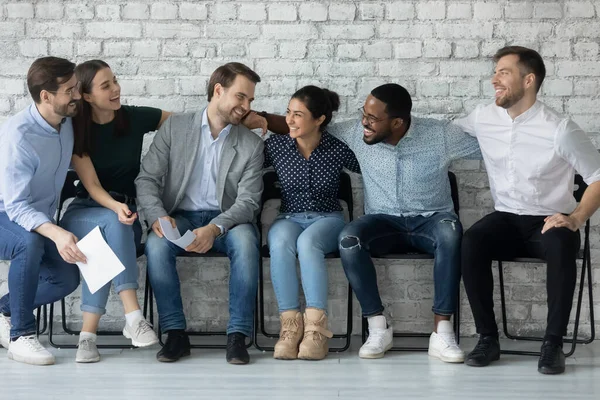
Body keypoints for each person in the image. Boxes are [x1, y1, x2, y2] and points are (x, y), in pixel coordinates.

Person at [245, 83, 480, 362]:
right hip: (381, 220)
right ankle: (377, 327)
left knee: (453, 234)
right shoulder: (355, 133)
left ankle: (442, 333)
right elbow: (304, 125)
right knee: (349, 240)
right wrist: (258, 117)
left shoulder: (440, 134)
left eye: (372, 118)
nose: (364, 123)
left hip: (432, 218)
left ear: (397, 122)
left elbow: (490, 148)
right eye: (363, 114)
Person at [455, 46, 600, 375]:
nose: (494, 79)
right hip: (506, 217)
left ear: (529, 80)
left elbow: (598, 177)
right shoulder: (482, 117)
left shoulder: (559, 128)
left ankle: (553, 344)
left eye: (503, 72)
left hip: (548, 221)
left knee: (563, 242)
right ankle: (488, 339)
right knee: (472, 241)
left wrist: (575, 218)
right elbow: (444, 136)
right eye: (495, 72)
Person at [135, 62, 264, 365]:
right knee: (156, 244)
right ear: (218, 90)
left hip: (229, 222)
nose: (246, 107)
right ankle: (176, 333)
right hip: (179, 217)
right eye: (241, 97)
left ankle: (238, 336)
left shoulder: (251, 144)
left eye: (250, 101)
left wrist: (215, 227)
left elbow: (249, 202)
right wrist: (156, 215)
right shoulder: (176, 128)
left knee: (247, 243)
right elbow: (147, 178)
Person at [59, 60, 171, 363]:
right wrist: (117, 206)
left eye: (115, 81)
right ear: (85, 95)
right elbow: (92, 185)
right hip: (85, 211)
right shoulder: (76, 130)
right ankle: (134, 317)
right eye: (105, 85)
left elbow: (184, 125)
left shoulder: (133, 118)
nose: (116, 89)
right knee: (112, 223)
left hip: (124, 217)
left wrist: (246, 119)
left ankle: (87, 337)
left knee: (107, 237)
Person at [264, 86, 360, 361]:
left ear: (319, 120)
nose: (290, 121)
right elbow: (242, 166)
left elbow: (372, 165)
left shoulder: (338, 149)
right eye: (288, 113)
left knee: (308, 244)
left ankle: (316, 330)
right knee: (280, 242)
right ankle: (290, 328)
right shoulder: (275, 146)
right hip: (288, 217)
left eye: (298, 115)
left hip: (327, 218)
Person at [0, 57, 83, 365]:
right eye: (70, 90)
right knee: (28, 242)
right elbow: (16, 206)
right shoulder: (18, 136)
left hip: (36, 219)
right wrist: (57, 232)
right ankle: (20, 336)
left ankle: (4, 310)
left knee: (65, 278)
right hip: (6, 214)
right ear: (46, 96)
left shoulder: (66, 120)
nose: (77, 95)